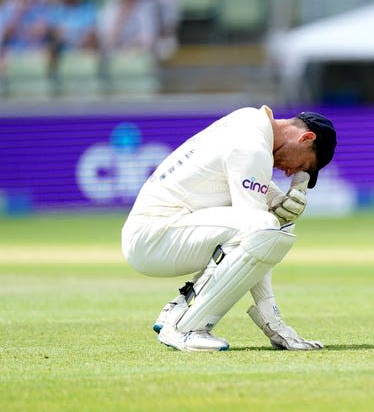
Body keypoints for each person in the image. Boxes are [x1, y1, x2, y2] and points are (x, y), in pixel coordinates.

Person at [121, 105, 337, 352]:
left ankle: (180, 307)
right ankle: (184, 327)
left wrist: (274, 203)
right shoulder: (253, 148)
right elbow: (257, 237)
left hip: (158, 231)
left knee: (268, 226)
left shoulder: (250, 120)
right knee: (266, 227)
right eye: (303, 165)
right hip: (154, 237)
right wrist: (274, 323)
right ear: (307, 138)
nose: (291, 172)